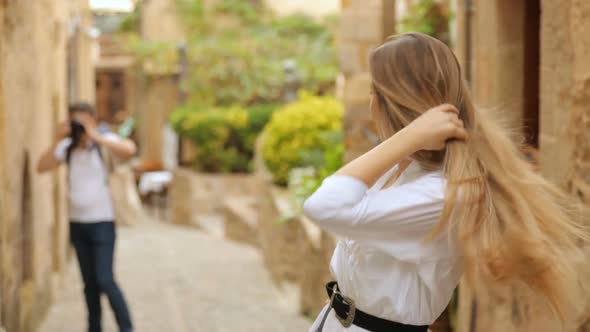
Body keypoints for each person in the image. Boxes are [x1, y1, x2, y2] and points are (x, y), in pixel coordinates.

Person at [304, 33, 587, 332]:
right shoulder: (399, 168)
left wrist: (408, 136)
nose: (370, 102)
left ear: (390, 104)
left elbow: (323, 206)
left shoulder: (448, 192)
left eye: (375, 92)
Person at [37, 102, 137, 332]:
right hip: (78, 225)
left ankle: (127, 327)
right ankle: (93, 328)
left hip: (102, 223)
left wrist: (95, 136)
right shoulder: (67, 147)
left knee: (105, 279)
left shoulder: (103, 142)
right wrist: (57, 137)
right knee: (89, 285)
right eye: (75, 121)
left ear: (93, 120)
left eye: (83, 120)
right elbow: (41, 167)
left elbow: (129, 149)